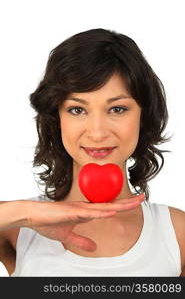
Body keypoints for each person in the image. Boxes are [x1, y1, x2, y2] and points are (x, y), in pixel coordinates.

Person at [0, 28, 185, 277]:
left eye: (117, 109)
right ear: (57, 119)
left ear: (143, 116)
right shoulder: (17, 227)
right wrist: (25, 215)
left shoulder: (176, 234)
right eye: (77, 110)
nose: (97, 133)